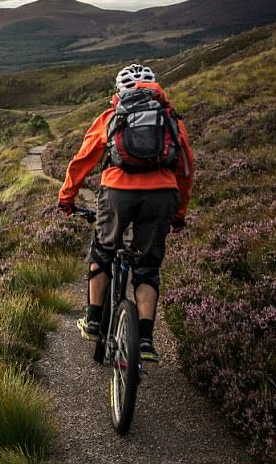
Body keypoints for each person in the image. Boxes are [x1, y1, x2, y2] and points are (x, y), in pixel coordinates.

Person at [57, 64, 194, 362]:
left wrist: (67, 197)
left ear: (119, 91)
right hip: (162, 195)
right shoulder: (171, 119)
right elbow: (185, 170)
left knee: (103, 250)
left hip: (118, 192)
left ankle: (93, 320)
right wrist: (179, 212)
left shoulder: (111, 116)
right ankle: (144, 341)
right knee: (147, 268)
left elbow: (83, 160)